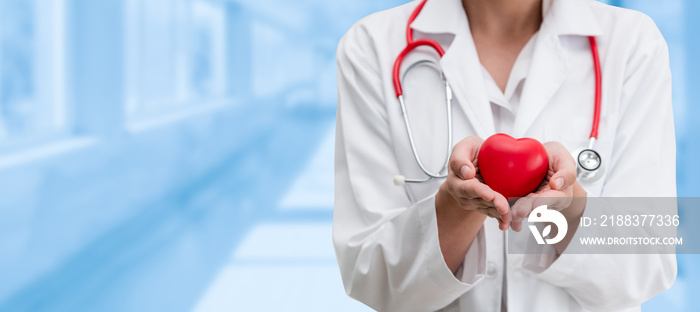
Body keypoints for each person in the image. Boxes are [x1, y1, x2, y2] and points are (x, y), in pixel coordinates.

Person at [333, 0, 676, 311]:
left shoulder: (632, 43)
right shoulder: (372, 46)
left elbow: (650, 264)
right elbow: (369, 275)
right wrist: (457, 205)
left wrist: (569, 208)